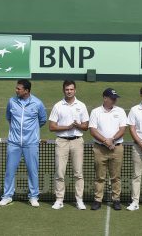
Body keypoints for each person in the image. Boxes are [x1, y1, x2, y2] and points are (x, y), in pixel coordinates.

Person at [0, 79, 47, 207]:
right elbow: (9, 117)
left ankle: (33, 196)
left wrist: (32, 133)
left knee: (32, 171)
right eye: (16, 88)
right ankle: (7, 196)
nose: (16, 90)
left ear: (26, 91)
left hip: (31, 143)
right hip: (14, 143)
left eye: (19, 88)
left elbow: (42, 120)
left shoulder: (38, 103)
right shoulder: (11, 101)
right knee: (9, 170)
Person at [49, 80, 89, 210]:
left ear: (75, 90)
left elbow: (86, 126)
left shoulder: (81, 106)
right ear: (63, 90)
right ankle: (59, 200)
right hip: (62, 141)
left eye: (71, 89)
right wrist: (67, 127)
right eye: (67, 89)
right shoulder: (58, 106)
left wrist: (77, 125)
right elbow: (52, 127)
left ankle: (79, 200)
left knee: (78, 172)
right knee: (60, 172)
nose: (69, 91)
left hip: (77, 141)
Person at [89, 88, 127, 210]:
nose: (114, 100)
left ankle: (116, 199)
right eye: (112, 98)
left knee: (116, 176)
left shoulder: (120, 111)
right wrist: (106, 141)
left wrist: (112, 140)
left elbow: (122, 129)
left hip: (116, 148)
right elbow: (93, 130)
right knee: (100, 176)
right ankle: (97, 200)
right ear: (105, 98)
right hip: (100, 149)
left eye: (115, 98)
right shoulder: (95, 112)